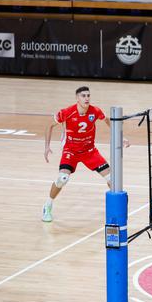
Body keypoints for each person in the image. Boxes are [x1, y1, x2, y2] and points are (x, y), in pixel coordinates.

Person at [42, 86, 129, 222]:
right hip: (70, 150)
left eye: (88, 95)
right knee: (62, 178)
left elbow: (108, 121)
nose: (87, 98)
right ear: (77, 98)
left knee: (113, 179)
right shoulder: (67, 112)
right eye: (83, 96)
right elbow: (49, 125)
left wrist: (120, 136)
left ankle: (117, 211)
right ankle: (47, 205)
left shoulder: (95, 111)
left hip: (89, 151)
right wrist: (47, 147)